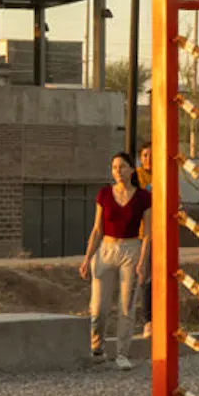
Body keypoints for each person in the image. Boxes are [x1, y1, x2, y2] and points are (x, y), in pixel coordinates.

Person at [84, 149, 150, 366]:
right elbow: (97, 229)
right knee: (98, 307)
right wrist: (87, 258)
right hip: (106, 249)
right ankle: (97, 347)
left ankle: (122, 353)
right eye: (114, 167)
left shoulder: (143, 197)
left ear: (132, 170)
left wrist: (142, 261)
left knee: (126, 307)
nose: (118, 171)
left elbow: (148, 233)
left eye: (122, 166)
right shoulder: (104, 194)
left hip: (131, 250)